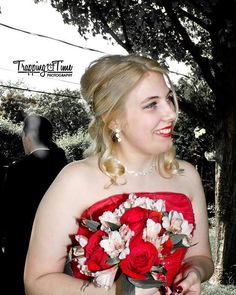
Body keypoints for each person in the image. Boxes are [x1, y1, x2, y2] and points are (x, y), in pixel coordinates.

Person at [24, 55, 214, 295]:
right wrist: (120, 292)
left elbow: (202, 257)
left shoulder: (187, 176)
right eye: (151, 104)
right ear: (113, 120)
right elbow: (37, 281)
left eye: (168, 99)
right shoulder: (75, 181)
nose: (171, 114)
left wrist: (195, 271)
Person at [1, 113, 67, 294]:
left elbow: (6, 213)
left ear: (27, 136)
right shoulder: (64, 167)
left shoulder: (18, 169)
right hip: (58, 250)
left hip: (21, 251)